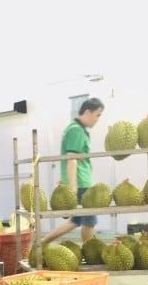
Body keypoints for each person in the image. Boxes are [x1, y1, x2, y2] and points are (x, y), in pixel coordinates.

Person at [42, 98, 105, 244]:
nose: (98, 119)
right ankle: (89, 252)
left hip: (81, 181)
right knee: (89, 221)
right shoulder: (75, 130)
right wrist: (73, 187)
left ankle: (44, 241)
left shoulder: (77, 129)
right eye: (97, 115)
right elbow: (71, 158)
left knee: (76, 221)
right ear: (88, 112)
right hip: (80, 182)